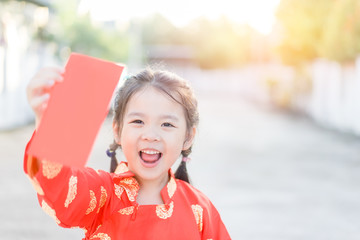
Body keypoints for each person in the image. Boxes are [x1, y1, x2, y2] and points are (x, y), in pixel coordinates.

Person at [24, 66, 231, 239]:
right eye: (138, 121)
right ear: (117, 130)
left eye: (167, 124)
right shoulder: (102, 196)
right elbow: (60, 186)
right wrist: (48, 122)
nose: (151, 135)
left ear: (188, 136)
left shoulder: (200, 211)